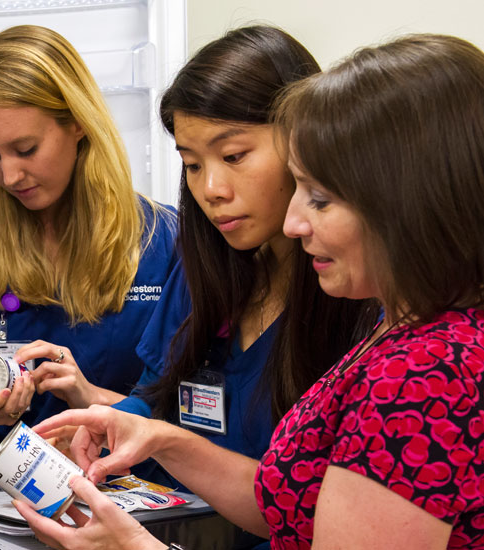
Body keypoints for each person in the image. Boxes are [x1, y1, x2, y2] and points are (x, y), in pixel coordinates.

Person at [20, 33, 484, 549]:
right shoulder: (404, 333)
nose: (294, 222)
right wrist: (162, 438)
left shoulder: (422, 371)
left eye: (320, 197)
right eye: (192, 165)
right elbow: (288, 506)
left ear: (406, 199)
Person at [0, 25, 178, 550]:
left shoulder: (163, 242)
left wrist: (96, 404)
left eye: (25, 148)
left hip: (115, 524)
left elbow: (191, 419)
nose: (9, 175)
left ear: (77, 122)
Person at [108, 26, 376, 494]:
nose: (211, 189)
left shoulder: (360, 291)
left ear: (304, 141)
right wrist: (109, 427)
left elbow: (313, 507)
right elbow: (156, 394)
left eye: (233, 156)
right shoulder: (203, 268)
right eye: (192, 165)